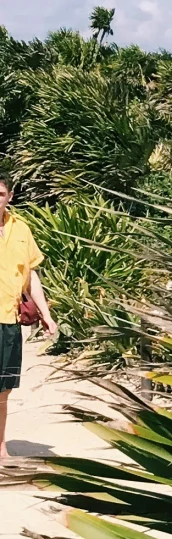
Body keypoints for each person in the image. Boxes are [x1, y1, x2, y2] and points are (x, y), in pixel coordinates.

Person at [0, 171, 57, 467]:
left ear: (9, 197)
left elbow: (31, 275)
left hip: (8, 320)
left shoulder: (22, 229)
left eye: (0, 193)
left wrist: (45, 314)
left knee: (3, 390)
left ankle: (1, 449)